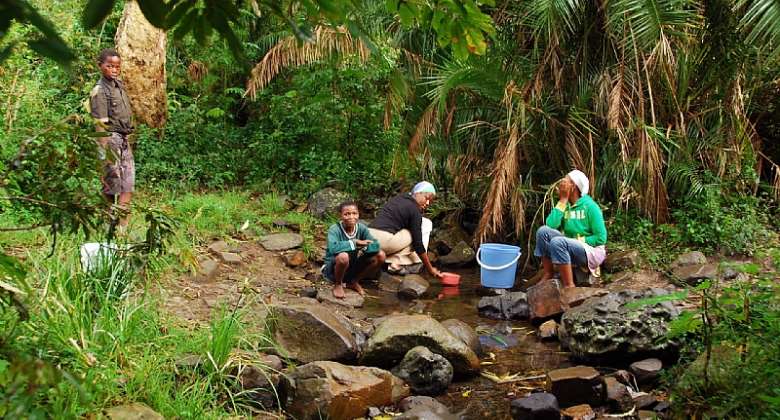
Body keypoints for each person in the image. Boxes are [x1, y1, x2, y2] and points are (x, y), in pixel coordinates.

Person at [534, 169, 607, 288]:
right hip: (567, 245)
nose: (562, 183)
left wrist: (578, 240)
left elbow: (601, 238)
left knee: (558, 242)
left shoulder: (591, 207)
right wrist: (562, 200)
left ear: (574, 186)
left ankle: (569, 286)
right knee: (542, 232)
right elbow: (550, 225)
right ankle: (549, 274)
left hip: (591, 251)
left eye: (566, 181)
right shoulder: (565, 205)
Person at [90, 48, 135, 232]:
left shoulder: (119, 85)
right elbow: (100, 125)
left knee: (127, 185)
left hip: (124, 140)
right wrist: (105, 154)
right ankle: (108, 228)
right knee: (111, 188)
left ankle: (122, 230)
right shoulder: (99, 91)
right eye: (110, 66)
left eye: (117, 66)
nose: (114, 70)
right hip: (110, 141)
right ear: (100, 66)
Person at [369, 182, 444, 279]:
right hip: (383, 240)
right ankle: (399, 262)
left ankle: (393, 262)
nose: (428, 203)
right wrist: (430, 268)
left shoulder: (399, 198)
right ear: (418, 193)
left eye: (430, 201)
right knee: (424, 225)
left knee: (412, 228)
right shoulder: (414, 209)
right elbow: (418, 244)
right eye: (427, 198)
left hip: (367, 236)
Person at [323, 201, 386, 299]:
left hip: (352, 266)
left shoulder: (361, 228)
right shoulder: (334, 229)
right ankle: (338, 284)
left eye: (354, 213)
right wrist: (354, 243)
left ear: (358, 214)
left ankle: (354, 281)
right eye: (347, 214)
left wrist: (365, 247)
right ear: (340, 216)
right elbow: (333, 248)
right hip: (333, 269)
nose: (351, 217)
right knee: (343, 256)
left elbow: (375, 245)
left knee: (381, 255)